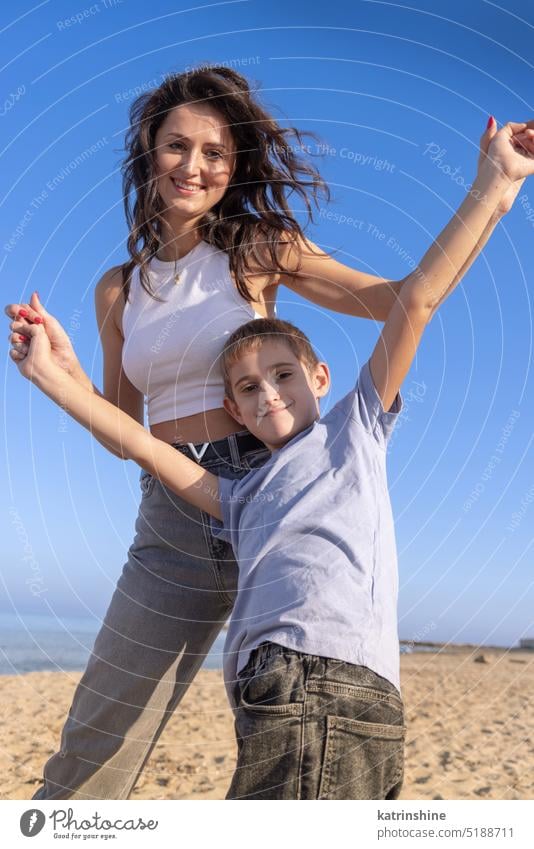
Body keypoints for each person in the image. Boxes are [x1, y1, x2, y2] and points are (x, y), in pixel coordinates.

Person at [6, 61, 532, 801]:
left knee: (298, 719)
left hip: (274, 497)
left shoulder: (257, 248)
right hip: (175, 507)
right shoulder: (117, 288)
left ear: (234, 165)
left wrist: (495, 191)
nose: (194, 167)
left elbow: (401, 301)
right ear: (147, 153)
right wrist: (66, 372)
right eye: (176, 147)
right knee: (100, 735)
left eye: (214, 154)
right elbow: (123, 429)